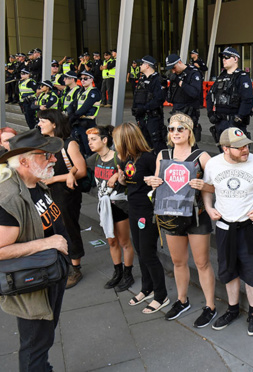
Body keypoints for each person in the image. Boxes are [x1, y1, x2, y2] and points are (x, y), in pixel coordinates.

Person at [0, 129, 69, 372]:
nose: (53, 159)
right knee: (35, 346)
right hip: (34, 285)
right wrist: (46, 243)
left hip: (49, 275)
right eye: (46, 155)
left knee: (44, 339)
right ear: (24, 161)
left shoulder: (33, 182)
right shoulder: (10, 198)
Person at [144, 114, 217, 327]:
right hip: (171, 215)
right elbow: (158, 183)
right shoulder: (163, 154)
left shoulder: (201, 156)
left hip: (196, 216)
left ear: (189, 132)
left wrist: (204, 185)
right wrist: (152, 181)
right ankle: (182, 300)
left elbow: (216, 187)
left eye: (180, 129)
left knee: (202, 263)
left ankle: (210, 306)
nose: (175, 132)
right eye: (172, 129)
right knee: (178, 261)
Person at [202, 127, 253, 336]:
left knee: (252, 272)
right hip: (225, 227)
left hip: (249, 227)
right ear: (225, 148)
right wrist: (208, 207)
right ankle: (233, 309)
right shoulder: (214, 165)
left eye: (246, 145)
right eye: (239, 147)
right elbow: (208, 189)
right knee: (228, 270)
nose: (245, 150)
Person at [114, 122, 169, 314]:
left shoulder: (148, 158)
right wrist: (121, 180)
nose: (115, 144)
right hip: (134, 209)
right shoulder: (125, 159)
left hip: (148, 211)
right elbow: (128, 183)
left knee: (148, 253)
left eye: (117, 140)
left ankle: (161, 296)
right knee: (139, 250)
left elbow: (161, 183)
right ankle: (147, 288)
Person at [80, 125, 135, 291]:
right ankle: (117, 272)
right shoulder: (94, 159)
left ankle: (128, 274)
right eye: (89, 140)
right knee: (111, 241)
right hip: (104, 206)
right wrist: (70, 173)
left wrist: (118, 175)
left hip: (120, 205)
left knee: (124, 241)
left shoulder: (119, 157)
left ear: (105, 140)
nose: (90, 143)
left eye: (94, 139)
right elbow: (79, 168)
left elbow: (131, 170)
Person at [37, 109, 87, 289]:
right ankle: (59, 262)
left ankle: (75, 268)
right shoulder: (44, 142)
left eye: (43, 121)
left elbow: (81, 170)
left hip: (66, 192)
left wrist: (54, 179)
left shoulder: (69, 143)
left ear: (54, 124)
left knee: (68, 226)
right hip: (48, 191)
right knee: (52, 227)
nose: (39, 124)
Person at [206, 47, 253, 144]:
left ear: (235, 59)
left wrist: (239, 117)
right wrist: (210, 113)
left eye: (227, 57)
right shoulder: (221, 77)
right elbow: (210, 96)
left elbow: (247, 99)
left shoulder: (242, 77)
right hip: (220, 122)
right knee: (223, 152)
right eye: (223, 57)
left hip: (235, 122)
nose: (224, 59)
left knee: (237, 152)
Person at [165, 53, 204, 140]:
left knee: (188, 141)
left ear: (179, 62)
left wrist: (180, 82)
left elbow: (194, 93)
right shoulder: (175, 75)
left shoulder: (193, 73)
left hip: (189, 113)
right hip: (176, 111)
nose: (173, 71)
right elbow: (170, 97)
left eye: (174, 68)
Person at [132, 55, 167, 154]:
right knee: (144, 143)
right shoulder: (142, 79)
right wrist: (135, 109)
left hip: (153, 117)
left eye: (141, 64)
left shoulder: (157, 80)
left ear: (147, 65)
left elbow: (159, 99)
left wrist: (144, 108)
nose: (140, 66)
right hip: (142, 117)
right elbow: (137, 94)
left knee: (157, 142)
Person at [67, 70, 101, 157]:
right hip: (78, 122)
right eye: (81, 78)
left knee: (89, 148)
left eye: (85, 78)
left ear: (91, 79)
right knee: (80, 148)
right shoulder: (80, 91)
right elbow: (71, 104)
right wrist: (71, 114)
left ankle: (90, 168)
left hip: (88, 123)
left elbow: (86, 107)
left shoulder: (94, 92)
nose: (82, 80)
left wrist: (73, 116)